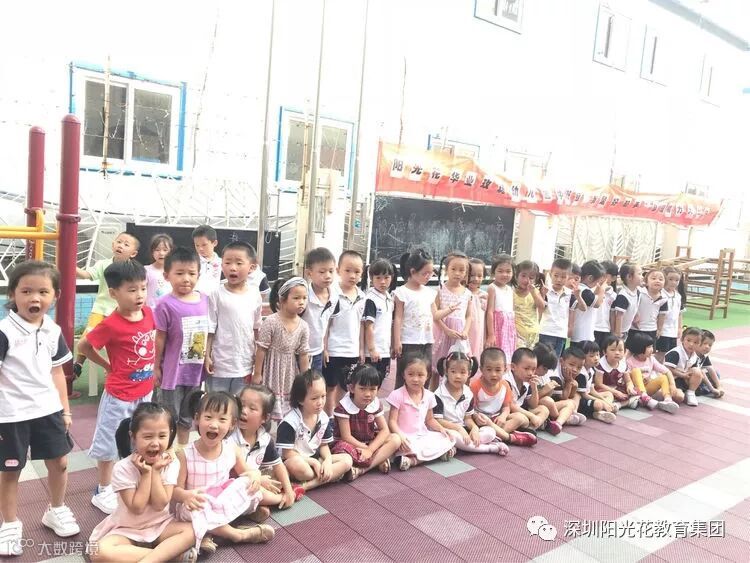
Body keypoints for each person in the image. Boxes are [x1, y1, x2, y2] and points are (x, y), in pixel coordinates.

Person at [0, 262, 80, 556]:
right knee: (10, 470)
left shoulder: (52, 329)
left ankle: (55, 509)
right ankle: (10, 524)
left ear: (55, 295)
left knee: (60, 463)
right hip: (11, 414)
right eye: (26, 291)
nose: (35, 298)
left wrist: (65, 410)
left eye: (43, 292)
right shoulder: (4, 331)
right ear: (13, 294)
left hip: (48, 410)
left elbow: (57, 372)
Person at [78, 260, 156, 515]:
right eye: (132, 290)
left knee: (140, 437)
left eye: (143, 288)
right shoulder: (111, 324)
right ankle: (103, 489)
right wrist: (106, 365)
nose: (139, 295)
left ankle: (132, 479)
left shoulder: (149, 314)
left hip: (145, 390)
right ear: (113, 293)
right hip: (119, 396)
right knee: (109, 441)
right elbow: (84, 346)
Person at [89, 403, 197, 563]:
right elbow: (137, 508)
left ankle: (149, 558)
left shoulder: (171, 463)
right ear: (133, 437)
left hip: (160, 526)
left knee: (194, 530)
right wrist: (146, 474)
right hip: (127, 530)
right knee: (98, 552)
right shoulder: (122, 468)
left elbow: (160, 504)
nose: (155, 443)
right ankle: (172, 556)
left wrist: (156, 472)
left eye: (162, 436)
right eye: (148, 437)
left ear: (170, 435)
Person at [174, 391, 274, 555]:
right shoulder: (185, 455)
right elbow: (174, 491)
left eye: (222, 419)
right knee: (198, 511)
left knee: (247, 483)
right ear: (197, 418)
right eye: (208, 417)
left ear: (232, 424)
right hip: (197, 503)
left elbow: (246, 472)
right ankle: (238, 535)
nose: (214, 425)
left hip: (220, 499)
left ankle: (210, 531)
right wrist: (186, 496)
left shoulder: (231, 449)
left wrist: (255, 475)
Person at [153, 247, 208, 451]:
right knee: (168, 417)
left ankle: (182, 453)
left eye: (192, 273)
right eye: (179, 273)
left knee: (187, 417)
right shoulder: (164, 304)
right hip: (172, 373)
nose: (186, 279)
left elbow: (208, 333)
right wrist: (156, 366)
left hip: (195, 373)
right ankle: (166, 454)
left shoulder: (205, 300)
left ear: (198, 275)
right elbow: (160, 337)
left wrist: (208, 357)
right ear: (167, 275)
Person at [73, 232, 140, 377]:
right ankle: (78, 364)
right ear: (113, 244)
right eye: (119, 242)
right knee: (88, 334)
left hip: (122, 311)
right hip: (101, 308)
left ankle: (115, 366)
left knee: (121, 341)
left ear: (133, 253)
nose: (121, 246)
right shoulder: (103, 264)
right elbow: (87, 275)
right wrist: (70, 264)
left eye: (126, 244)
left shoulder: (134, 270)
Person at [230, 384, 303, 513]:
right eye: (241, 404)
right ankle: (279, 499)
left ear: (265, 417)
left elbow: (278, 465)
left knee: (275, 480)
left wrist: (288, 489)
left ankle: (256, 509)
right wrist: (258, 480)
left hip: (251, 481)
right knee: (256, 490)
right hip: (231, 483)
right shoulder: (228, 435)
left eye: (252, 408)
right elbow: (234, 472)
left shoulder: (264, 439)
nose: (244, 411)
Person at [276, 370, 353, 490]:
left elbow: (323, 445)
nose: (320, 402)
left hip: (315, 458)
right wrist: (314, 463)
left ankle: (306, 486)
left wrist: (327, 461)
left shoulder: (323, 417)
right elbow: (287, 453)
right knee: (301, 468)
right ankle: (323, 476)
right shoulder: (290, 422)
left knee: (347, 460)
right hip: (295, 461)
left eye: (323, 396)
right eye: (314, 398)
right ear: (300, 399)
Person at [205, 241, 262, 395]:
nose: (232, 267)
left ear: (252, 267)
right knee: (216, 403)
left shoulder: (254, 294)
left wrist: (258, 359)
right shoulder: (216, 294)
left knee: (239, 403)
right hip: (219, 365)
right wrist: (206, 355)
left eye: (239, 263)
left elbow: (256, 328)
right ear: (221, 265)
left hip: (244, 364)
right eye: (228, 262)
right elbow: (210, 328)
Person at [393, 249, 454, 389]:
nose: (428, 276)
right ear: (413, 272)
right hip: (408, 341)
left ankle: (422, 399)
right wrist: (396, 341)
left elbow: (435, 315)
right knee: (405, 374)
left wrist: (449, 310)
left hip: (426, 341)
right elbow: (398, 318)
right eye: (425, 273)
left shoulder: (429, 293)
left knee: (425, 373)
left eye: (431, 273)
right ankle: (399, 401)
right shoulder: (402, 292)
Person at [253, 278, 310, 421]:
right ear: (282, 300)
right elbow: (261, 349)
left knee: (288, 410)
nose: (301, 302)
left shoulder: (304, 326)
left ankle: (283, 432)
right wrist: (257, 373)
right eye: (296, 298)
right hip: (271, 369)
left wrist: (306, 378)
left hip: (290, 371)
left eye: (304, 298)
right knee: (266, 406)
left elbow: (303, 354)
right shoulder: (271, 321)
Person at [332, 365, 402, 478]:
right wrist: (367, 449)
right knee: (344, 453)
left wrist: (370, 449)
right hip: (351, 444)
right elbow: (346, 437)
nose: (368, 394)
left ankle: (362, 469)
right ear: (352, 388)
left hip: (369, 442)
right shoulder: (343, 407)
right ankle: (379, 459)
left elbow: (384, 430)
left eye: (372, 389)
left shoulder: (375, 404)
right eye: (362, 388)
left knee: (395, 439)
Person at [387, 354, 455, 470]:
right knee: (406, 446)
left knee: (448, 438)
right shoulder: (397, 395)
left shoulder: (429, 396)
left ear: (427, 376)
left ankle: (413, 460)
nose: (415, 379)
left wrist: (441, 429)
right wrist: (401, 436)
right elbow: (392, 421)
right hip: (405, 437)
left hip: (423, 435)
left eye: (420, 375)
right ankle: (428, 456)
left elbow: (430, 419)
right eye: (410, 374)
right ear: (403, 375)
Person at [434, 352, 509, 455]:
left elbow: (467, 418)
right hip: (447, 430)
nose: (458, 376)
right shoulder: (438, 394)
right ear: (446, 371)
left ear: (469, 374)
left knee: (490, 432)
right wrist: (459, 429)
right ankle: (490, 448)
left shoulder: (468, 393)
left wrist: (474, 428)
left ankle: (464, 446)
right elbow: (438, 420)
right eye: (453, 371)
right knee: (453, 436)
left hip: (464, 430)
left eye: (462, 372)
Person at [323, 250, 366, 414]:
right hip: (333, 350)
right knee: (330, 387)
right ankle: (328, 418)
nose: (352, 275)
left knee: (345, 386)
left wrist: (361, 349)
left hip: (352, 351)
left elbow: (361, 325)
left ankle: (338, 416)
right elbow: (326, 323)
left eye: (357, 272)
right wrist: (324, 348)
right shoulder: (332, 293)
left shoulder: (362, 296)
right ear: (338, 270)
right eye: (347, 270)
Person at [470, 348, 537, 446]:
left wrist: (503, 416)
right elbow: (470, 410)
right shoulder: (475, 386)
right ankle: (507, 436)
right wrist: (476, 417)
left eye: (498, 370)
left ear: (505, 370)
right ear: (481, 369)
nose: (493, 374)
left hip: (496, 418)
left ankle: (496, 436)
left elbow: (506, 407)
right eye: (489, 370)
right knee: (486, 425)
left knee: (521, 418)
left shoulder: (505, 385)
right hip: (481, 420)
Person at [432, 253, 474, 375]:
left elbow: (468, 315)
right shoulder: (440, 290)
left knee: (460, 365)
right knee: (438, 367)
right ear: (446, 270)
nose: (457, 273)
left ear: (466, 273)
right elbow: (435, 315)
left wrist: (465, 331)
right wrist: (446, 330)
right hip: (443, 333)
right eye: (453, 269)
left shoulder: (467, 293)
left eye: (461, 270)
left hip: (459, 333)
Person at [300, 248, 338, 373]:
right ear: (309, 273)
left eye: (331, 271)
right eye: (322, 272)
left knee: (315, 383)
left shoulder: (334, 296)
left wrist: (324, 348)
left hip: (318, 352)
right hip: (299, 352)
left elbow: (326, 324)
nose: (327, 276)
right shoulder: (303, 295)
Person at [533, 342, 584, 434]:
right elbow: (563, 397)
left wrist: (570, 384)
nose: (575, 369)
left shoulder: (544, 375)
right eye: (571, 365)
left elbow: (568, 397)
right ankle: (564, 418)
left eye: (579, 367)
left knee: (572, 402)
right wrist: (568, 382)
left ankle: (557, 424)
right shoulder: (553, 375)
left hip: (549, 406)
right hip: (537, 407)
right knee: (548, 401)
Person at [539, 258, 586, 357]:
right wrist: (543, 295)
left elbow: (583, 308)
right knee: (543, 361)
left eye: (563, 277)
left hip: (561, 334)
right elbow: (540, 309)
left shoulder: (570, 293)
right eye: (556, 276)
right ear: (550, 274)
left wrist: (578, 296)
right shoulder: (545, 291)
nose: (559, 280)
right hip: (545, 332)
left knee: (555, 362)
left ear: (569, 277)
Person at [625, 332, 679, 413]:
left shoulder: (651, 359)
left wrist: (672, 384)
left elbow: (667, 371)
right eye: (649, 347)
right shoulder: (629, 361)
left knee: (663, 377)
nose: (652, 349)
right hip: (636, 390)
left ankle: (667, 400)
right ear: (640, 347)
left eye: (652, 346)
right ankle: (643, 397)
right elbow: (627, 377)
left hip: (647, 388)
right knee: (636, 371)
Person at [362, 259, 395, 383]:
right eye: (378, 278)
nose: (383, 282)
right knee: (368, 383)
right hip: (373, 352)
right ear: (371, 278)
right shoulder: (370, 299)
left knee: (379, 382)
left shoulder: (389, 298)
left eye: (386, 277)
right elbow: (368, 326)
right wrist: (371, 349)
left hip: (384, 350)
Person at [506, 348, 550, 432]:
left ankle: (530, 429)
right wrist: (532, 416)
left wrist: (534, 388)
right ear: (513, 367)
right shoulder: (507, 381)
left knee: (544, 409)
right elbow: (511, 406)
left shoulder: (526, 382)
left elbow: (533, 405)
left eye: (533, 369)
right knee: (522, 419)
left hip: (519, 411)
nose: (530, 373)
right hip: (506, 413)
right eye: (526, 368)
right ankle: (529, 428)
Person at [573, 343, 617, 423]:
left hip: (587, 397)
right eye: (592, 356)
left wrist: (605, 400)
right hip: (580, 400)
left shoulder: (591, 370)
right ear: (582, 358)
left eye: (598, 355)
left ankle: (601, 412)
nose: (596, 358)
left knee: (609, 394)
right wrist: (603, 402)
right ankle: (576, 413)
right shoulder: (581, 373)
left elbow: (592, 390)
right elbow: (584, 395)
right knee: (598, 404)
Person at [594, 335, 639, 410]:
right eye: (613, 350)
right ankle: (627, 403)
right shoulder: (601, 364)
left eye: (620, 350)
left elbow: (628, 381)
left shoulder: (623, 364)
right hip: (605, 389)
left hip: (617, 388)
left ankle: (619, 405)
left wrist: (629, 387)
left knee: (636, 391)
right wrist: (615, 392)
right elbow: (599, 384)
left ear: (624, 352)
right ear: (604, 352)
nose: (617, 353)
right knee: (608, 395)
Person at [485, 254, 516, 356]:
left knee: (508, 354)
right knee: (496, 354)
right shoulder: (492, 288)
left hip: (508, 328)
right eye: (500, 271)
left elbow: (511, 312)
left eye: (508, 271)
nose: (504, 274)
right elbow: (489, 312)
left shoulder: (510, 289)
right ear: (493, 272)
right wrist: (491, 334)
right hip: (497, 326)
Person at [663, 327, 704, 407]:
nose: (691, 344)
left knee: (698, 371)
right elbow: (667, 369)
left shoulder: (694, 356)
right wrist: (682, 375)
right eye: (688, 340)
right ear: (682, 339)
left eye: (696, 342)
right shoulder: (675, 353)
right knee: (679, 397)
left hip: (683, 379)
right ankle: (669, 394)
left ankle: (691, 393)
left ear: (700, 344)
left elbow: (694, 370)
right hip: (671, 380)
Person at [570, 260, 605, 348]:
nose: (598, 284)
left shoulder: (583, 290)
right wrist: (602, 289)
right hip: (581, 336)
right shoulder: (583, 290)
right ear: (590, 278)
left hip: (583, 334)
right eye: (598, 281)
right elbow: (597, 304)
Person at [655, 266, 685, 363]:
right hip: (662, 330)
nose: (673, 282)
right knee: (660, 353)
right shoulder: (660, 294)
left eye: (677, 280)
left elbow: (679, 313)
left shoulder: (678, 296)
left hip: (673, 331)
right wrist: (659, 329)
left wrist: (679, 328)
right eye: (670, 279)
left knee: (669, 353)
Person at [512, 261, 545, 349]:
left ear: (535, 279)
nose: (527, 280)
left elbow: (542, 306)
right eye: (523, 276)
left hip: (533, 335)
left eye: (531, 278)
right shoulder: (511, 292)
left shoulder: (535, 292)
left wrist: (533, 292)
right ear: (516, 276)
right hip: (517, 334)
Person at [630, 269, 668, 342]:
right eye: (653, 278)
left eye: (661, 279)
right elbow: (633, 305)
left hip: (652, 329)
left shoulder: (664, 298)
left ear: (664, 283)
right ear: (646, 282)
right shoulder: (639, 292)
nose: (657, 281)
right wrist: (635, 315)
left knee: (649, 348)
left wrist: (659, 329)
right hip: (635, 328)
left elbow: (662, 315)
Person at [593, 260, 619, 350]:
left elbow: (612, 314)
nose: (601, 277)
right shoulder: (593, 289)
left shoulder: (613, 295)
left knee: (602, 353)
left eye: (604, 275)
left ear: (613, 278)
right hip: (593, 327)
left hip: (605, 329)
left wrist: (613, 331)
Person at [611, 262, 642, 339]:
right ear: (629, 277)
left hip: (627, 329)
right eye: (639, 274)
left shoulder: (637, 292)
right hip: (620, 331)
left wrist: (636, 315)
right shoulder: (623, 295)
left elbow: (634, 305)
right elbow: (619, 316)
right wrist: (618, 334)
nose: (642, 277)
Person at [145, 233, 174, 309]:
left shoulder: (175, 271)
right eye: (157, 250)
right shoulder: (146, 271)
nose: (161, 253)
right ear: (152, 252)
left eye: (165, 250)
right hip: (152, 311)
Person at [466, 258, 487, 360]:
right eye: (472, 275)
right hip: (466, 331)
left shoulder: (484, 295)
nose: (475, 278)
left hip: (479, 332)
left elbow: (486, 317)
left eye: (479, 276)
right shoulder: (463, 293)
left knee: (476, 355)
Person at [192, 225, 222, 295]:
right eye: (197, 245)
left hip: (214, 299)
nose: (200, 248)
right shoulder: (191, 261)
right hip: (196, 298)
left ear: (214, 243)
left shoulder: (222, 263)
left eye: (204, 245)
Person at [696, 330, 724, 398]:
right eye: (705, 343)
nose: (707, 347)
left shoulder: (703, 355)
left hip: (700, 376)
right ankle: (703, 389)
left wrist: (719, 386)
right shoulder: (692, 355)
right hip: (688, 379)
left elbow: (710, 368)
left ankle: (708, 388)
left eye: (710, 345)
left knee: (716, 373)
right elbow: (701, 372)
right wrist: (712, 389)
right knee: (699, 374)